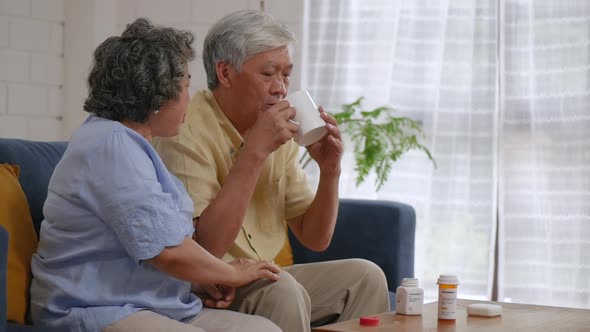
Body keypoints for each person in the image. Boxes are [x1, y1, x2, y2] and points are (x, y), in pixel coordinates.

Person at [29, 18, 282, 332]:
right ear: (159, 92)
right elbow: (167, 251)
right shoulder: (110, 145)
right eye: (187, 84)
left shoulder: (135, 144)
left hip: (148, 303)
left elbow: (155, 244)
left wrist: (198, 282)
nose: (190, 96)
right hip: (94, 308)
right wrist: (229, 273)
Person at [153, 10, 390, 332]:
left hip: (263, 276)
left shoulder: (280, 130)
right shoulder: (186, 133)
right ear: (225, 72)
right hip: (213, 283)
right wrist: (254, 153)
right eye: (268, 74)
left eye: (286, 75)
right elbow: (207, 250)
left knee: (365, 276)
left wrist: (330, 170)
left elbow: (315, 238)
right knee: (281, 288)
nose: (280, 88)